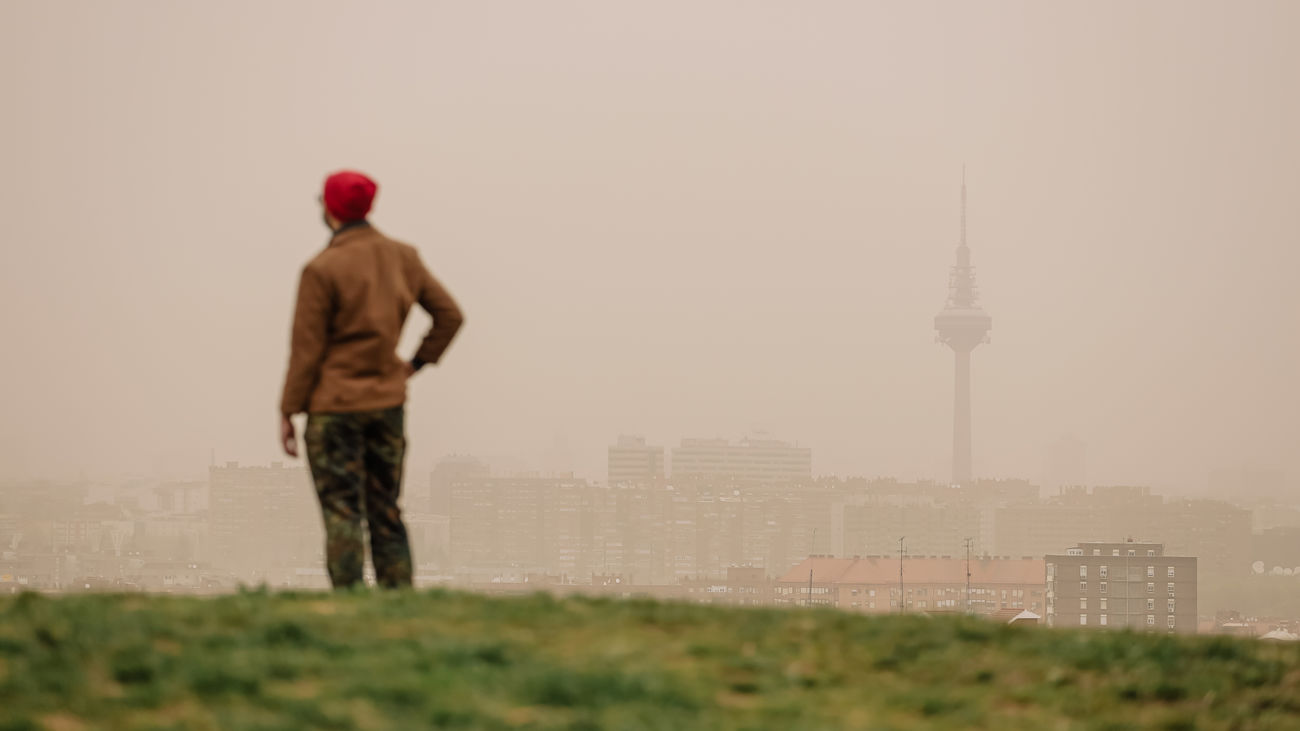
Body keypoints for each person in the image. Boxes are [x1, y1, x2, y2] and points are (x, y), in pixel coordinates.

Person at [279, 170, 464, 589]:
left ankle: (349, 604)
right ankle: (398, 603)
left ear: (329, 208)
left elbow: (306, 351)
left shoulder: (322, 269)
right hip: (386, 405)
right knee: (386, 510)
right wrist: (415, 364)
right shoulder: (404, 257)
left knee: (342, 512)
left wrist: (288, 410)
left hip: (334, 408)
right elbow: (450, 316)